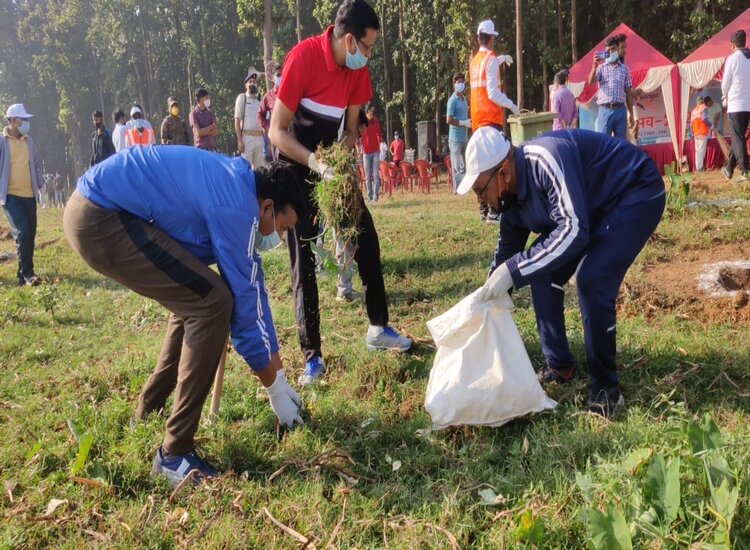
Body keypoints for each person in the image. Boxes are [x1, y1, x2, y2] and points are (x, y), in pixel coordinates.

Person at [63, 146, 307, 485]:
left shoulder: (239, 187)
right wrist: (275, 393)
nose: (278, 237)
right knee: (212, 304)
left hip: (100, 208)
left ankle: (148, 411)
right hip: (101, 218)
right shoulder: (237, 207)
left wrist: (279, 376)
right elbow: (242, 313)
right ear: (267, 206)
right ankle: (174, 455)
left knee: (196, 296)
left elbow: (254, 292)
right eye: (282, 226)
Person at [457, 126, 665, 418]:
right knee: (540, 268)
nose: (481, 201)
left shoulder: (545, 159)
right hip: (591, 208)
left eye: (480, 189)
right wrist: (485, 295)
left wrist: (514, 271)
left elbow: (574, 230)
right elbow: (507, 254)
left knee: (593, 280)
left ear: (503, 172)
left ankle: (607, 391)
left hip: (632, 192)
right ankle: (559, 365)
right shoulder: (510, 202)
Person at [269, 0, 412, 386]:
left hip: (333, 166)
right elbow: (276, 131)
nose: (368, 56)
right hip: (295, 165)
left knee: (366, 237)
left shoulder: (356, 73)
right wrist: (314, 163)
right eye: (366, 48)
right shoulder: (303, 59)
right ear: (348, 41)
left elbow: (350, 130)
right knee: (304, 261)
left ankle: (378, 328)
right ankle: (312, 358)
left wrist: (340, 161)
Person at [469, 19, 519, 224]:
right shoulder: (489, 58)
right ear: (491, 39)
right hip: (491, 118)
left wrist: (502, 58)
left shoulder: (476, 60)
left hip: (478, 119)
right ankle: (495, 212)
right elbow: (492, 92)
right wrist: (511, 105)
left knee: (482, 167)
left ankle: (483, 209)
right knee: (496, 167)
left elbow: (487, 68)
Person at [0, 103, 45, 286]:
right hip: (10, 196)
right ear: (12, 121)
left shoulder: (29, 142)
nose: (26, 122)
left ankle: (22, 274)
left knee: (30, 233)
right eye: (22, 119)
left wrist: (40, 187)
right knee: (22, 231)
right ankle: (28, 273)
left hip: (29, 195)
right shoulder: (2, 141)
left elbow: (35, 165)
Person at [588, 34, 635, 140]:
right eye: (608, 51)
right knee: (604, 143)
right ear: (605, 52)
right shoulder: (600, 68)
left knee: (621, 144)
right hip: (605, 109)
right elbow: (590, 82)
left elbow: (628, 92)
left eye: (613, 49)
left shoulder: (625, 69)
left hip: (620, 110)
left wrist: (631, 113)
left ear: (617, 49)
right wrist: (593, 67)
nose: (611, 52)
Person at [720, 30, 750, 184]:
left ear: (732, 45)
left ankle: (746, 171)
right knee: (739, 137)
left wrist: (724, 95)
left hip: (736, 104)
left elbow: (725, 83)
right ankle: (729, 169)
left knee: (738, 138)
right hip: (748, 105)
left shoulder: (732, 59)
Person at [235, 68, 265, 167]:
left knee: (259, 170)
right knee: (245, 168)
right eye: (250, 82)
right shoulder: (242, 98)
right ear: (246, 85)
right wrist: (239, 141)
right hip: (247, 138)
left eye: (254, 82)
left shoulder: (260, 101)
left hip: (260, 138)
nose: (252, 84)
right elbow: (237, 121)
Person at [446, 73, 470, 193]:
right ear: (454, 85)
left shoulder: (464, 99)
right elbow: (448, 120)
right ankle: (458, 190)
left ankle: (463, 188)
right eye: (458, 82)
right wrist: (462, 123)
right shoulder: (452, 100)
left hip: (464, 136)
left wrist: (468, 122)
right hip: (455, 138)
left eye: (462, 82)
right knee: (457, 166)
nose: (460, 84)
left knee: (465, 164)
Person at [259, 63, 283, 162]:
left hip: (291, 136)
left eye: (282, 74)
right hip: (276, 137)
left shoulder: (291, 91)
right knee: (277, 166)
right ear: (272, 78)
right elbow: (260, 114)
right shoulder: (268, 96)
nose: (280, 77)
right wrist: (268, 130)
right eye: (278, 75)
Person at [361, 104, 382, 201]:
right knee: (367, 176)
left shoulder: (376, 121)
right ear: (367, 112)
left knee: (376, 175)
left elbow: (379, 134)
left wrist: (379, 145)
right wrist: (358, 149)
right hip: (366, 153)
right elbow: (359, 135)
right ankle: (369, 196)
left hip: (375, 152)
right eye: (370, 111)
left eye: (373, 112)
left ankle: (376, 197)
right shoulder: (362, 122)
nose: (372, 113)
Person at [690, 94, 713, 172]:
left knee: (697, 151)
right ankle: (700, 168)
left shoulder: (693, 111)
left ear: (697, 102)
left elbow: (691, 124)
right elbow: (704, 118)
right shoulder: (704, 108)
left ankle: (698, 167)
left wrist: (692, 133)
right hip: (702, 132)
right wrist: (711, 125)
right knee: (701, 150)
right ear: (702, 101)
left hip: (696, 133)